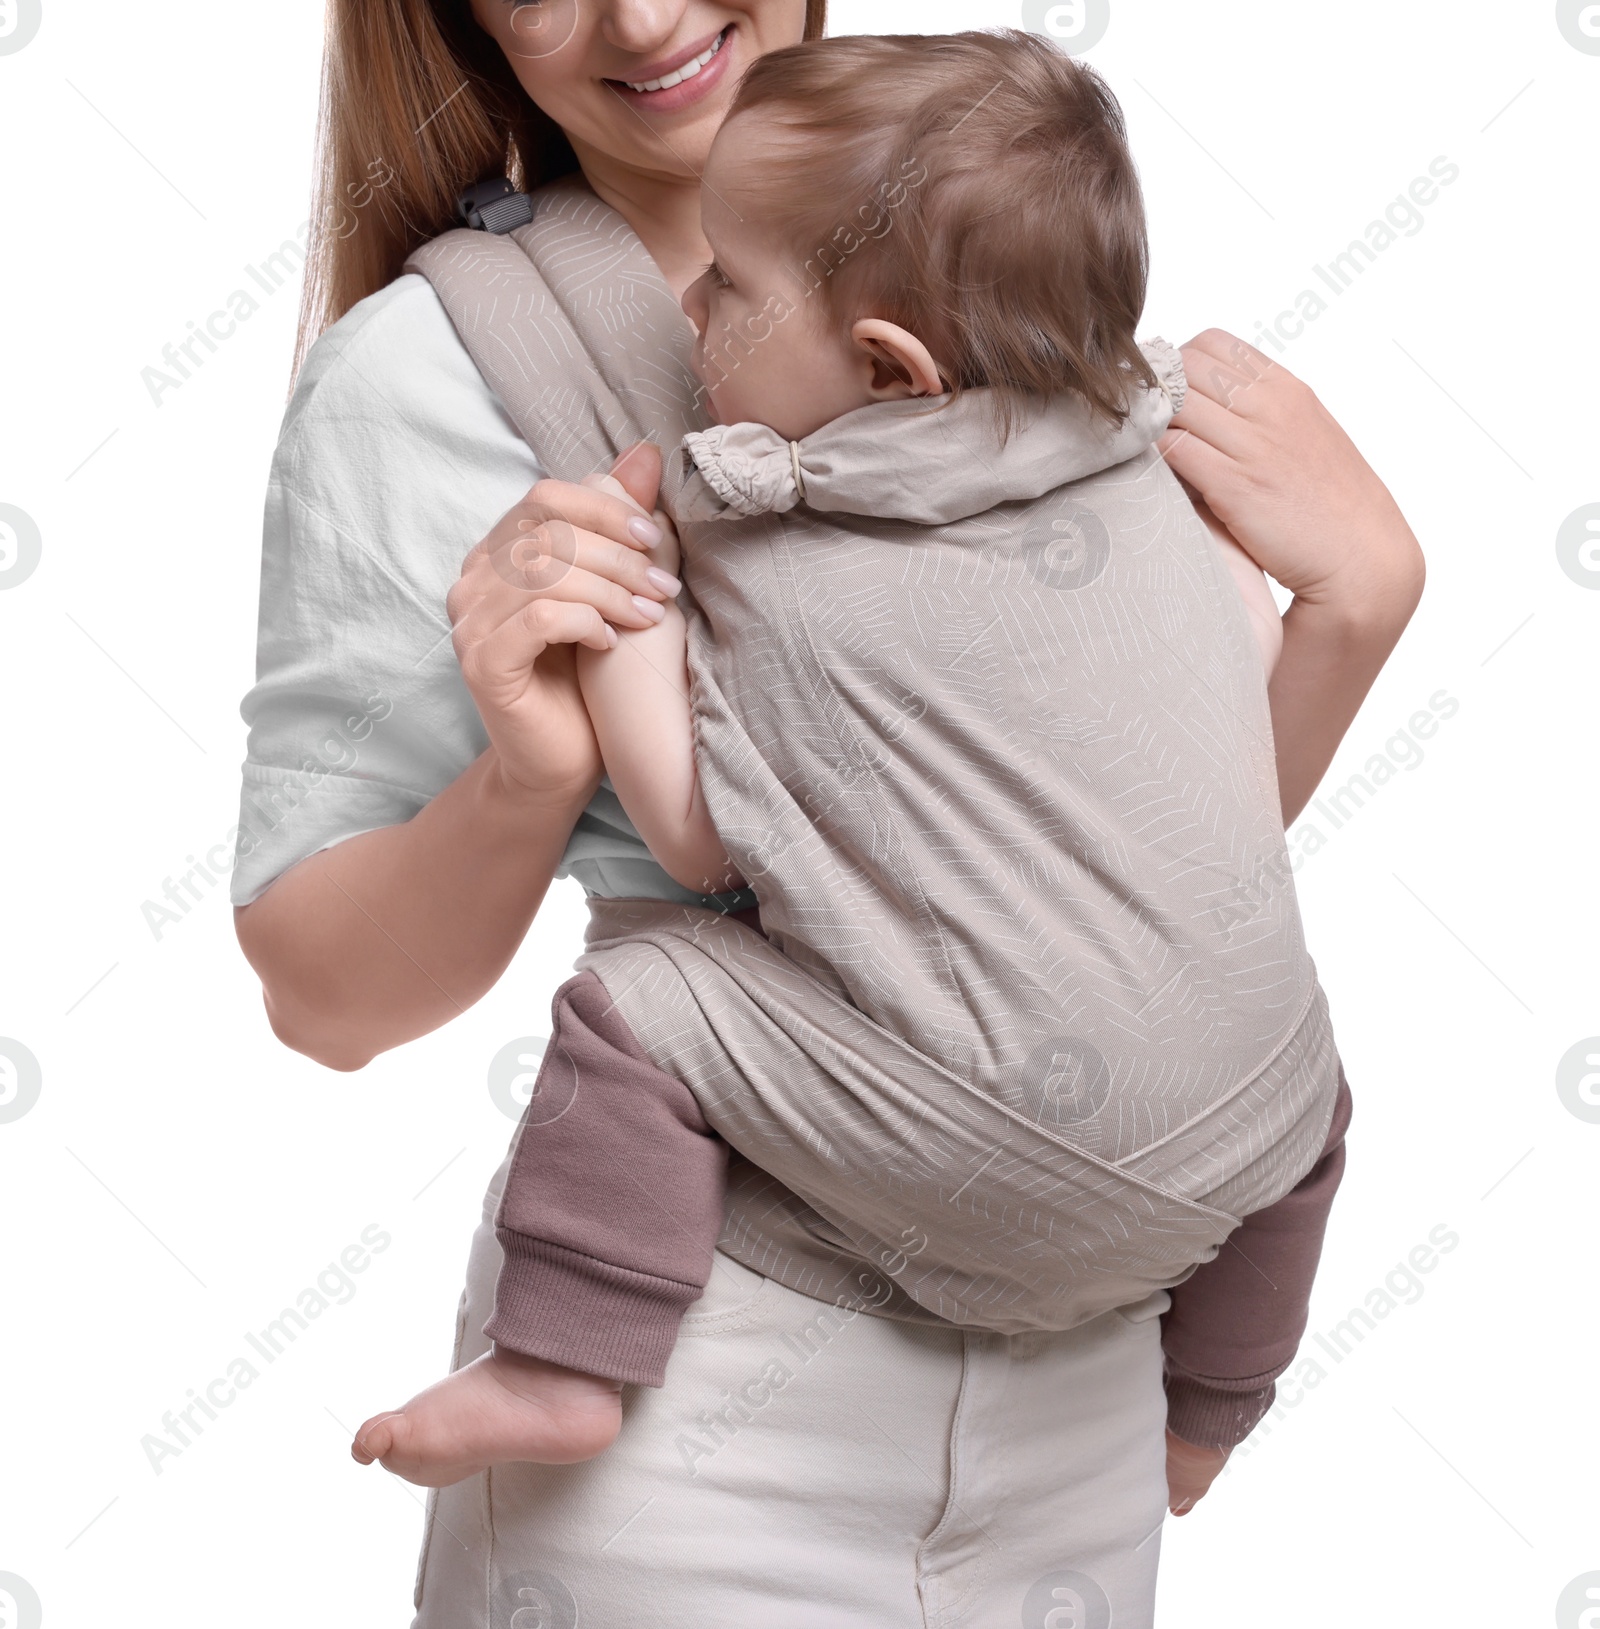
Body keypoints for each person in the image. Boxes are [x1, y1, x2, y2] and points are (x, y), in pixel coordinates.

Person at [232, 2, 1423, 1621]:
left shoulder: (1000, 225)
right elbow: (323, 999)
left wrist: (1355, 613)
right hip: (694, 1394)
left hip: (1088, 1403)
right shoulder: (421, 379)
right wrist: (531, 771)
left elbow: (1118, 877)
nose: (642, 18)